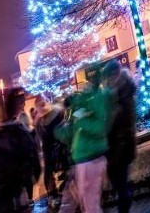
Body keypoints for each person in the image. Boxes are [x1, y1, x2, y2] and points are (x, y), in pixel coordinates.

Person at [56, 71, 111, 213]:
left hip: (89, 159)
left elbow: (99, 128)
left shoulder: (92, 104)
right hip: (84, 159)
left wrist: (79, 122)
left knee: (90, 205)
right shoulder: (81, 108)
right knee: (88, 203)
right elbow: (67, 134)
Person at [104, 60, 136, 213]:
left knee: (121, 186)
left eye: (110, 77)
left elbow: (124, 119)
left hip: (121, 146)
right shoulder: (116, 91)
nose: (108, 81)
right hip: (116, 146)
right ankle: (127, 196)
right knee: (119, 185)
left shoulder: (124, 90)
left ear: (116, 74)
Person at [34, 95, 64, 204]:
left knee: (56, 169)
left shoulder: (56, 113)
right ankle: (54, 192)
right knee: (51, 170)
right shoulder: (39, 120)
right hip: (52, 147)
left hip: (56, 146)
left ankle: (56, 192)